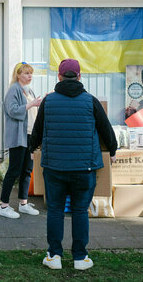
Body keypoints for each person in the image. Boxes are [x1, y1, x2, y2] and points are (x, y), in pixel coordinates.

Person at [30, 59, 117, 270]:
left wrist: (32, 150)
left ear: (58, 77)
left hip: (54, 167)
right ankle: (80, 257)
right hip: (84, 168)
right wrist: (113, 151)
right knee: (79, 211)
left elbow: (37, 132)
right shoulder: (91, 101)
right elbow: (107, 131)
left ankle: (54, 256)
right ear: (79, 77)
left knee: (55, 210)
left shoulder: (48, 102)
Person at [0, 63, 43, 219]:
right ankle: (4, 206)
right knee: (14, 170)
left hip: (29, 136)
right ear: (18, 75)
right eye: (26, 73)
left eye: (31, 73)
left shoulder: (28, 90)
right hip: (19, 136)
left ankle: (23, 204)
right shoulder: (14, 89)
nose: (30, 76)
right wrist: (31, 104)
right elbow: (12, 110)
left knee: (27, 170)